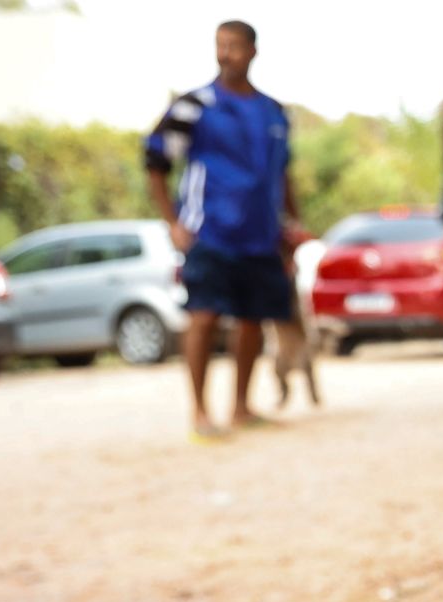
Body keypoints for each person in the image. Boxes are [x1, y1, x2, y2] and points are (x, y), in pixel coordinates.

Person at [144, 19, 299, 442]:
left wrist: (292, 224)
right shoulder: (194, 105)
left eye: (233, 46)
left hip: (261, 235)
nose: (225, 54)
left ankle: (241, 407)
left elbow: (283, 174)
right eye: (220, 45)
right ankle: (199, 411)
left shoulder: (273, 112)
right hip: (210, 232)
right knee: (205, 315)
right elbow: (156, 163)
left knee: (252, 319)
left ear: (252, 51)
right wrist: (172, 222)